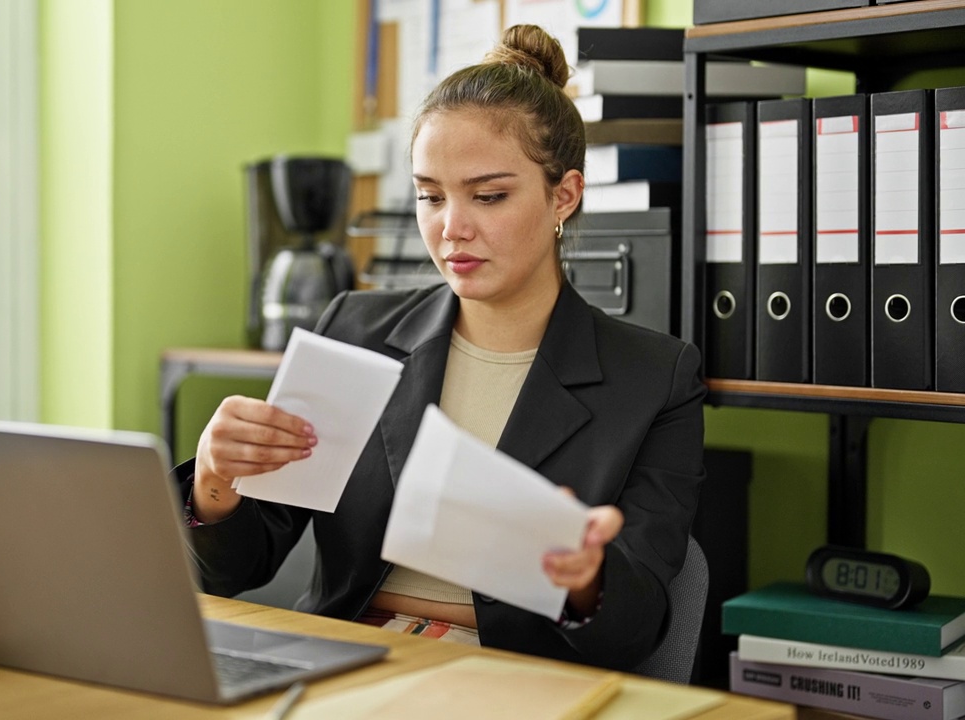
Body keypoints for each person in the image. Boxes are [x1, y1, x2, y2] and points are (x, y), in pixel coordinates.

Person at [173, 24, 705, 672]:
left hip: (509, 683)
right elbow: (235, 571)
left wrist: (585, 579)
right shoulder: (353, 331)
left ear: (563, 195)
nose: (451, 228)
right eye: (429, 195)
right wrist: (213, 485)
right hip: (342, 665)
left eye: (489, 196)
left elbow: (637, 629)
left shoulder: (655, 379)